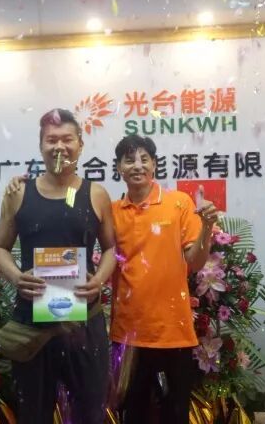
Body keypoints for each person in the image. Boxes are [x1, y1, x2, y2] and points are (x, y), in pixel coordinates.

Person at [0, 108, 117, 424]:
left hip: (84, 321)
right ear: (41, 146)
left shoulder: (97, 194)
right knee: (33, 414)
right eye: (51, 140)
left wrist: (99, 280)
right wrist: (17, 277)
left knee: (90, 412)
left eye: (67, 139)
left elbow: (110, 249)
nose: (59, 146)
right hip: (31, 322)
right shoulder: (19, 193)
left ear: (80, 145)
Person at [110, 134, 218, 424]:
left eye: (144, 159)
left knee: (174, 413)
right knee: (132, 414)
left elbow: (195, 262)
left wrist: (207, 227)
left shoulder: (178, 203)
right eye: (129, 160)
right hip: (128, 333)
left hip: (172, 330)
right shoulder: (111, 212)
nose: (137, 165)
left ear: (155, 165)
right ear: (119, 168)